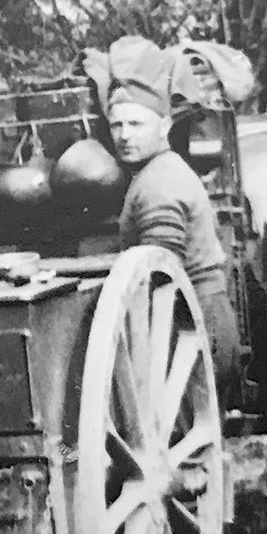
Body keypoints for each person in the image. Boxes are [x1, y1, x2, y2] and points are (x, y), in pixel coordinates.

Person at [109, 81, 241, 408]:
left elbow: (159, 274)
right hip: (200, 321)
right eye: (117, 125)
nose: (125, 135)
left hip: (191, 328)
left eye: (136, 124)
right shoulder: (157, 172)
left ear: (164, 126)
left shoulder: (159, 184)